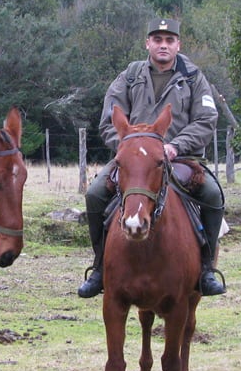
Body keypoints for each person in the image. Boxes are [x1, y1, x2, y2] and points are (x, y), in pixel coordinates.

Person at [78, 17, 226, 298]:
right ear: (147, 43)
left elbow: (207, 120)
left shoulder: (194, 77)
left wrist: (176, 146)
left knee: (212, 194)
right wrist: (128, 148)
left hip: (181, 158)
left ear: (178, 45)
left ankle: (206, 269)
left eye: (169, 40)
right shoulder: (130, 76)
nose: (163, 45)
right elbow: (109, 120)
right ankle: (99, 268)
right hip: (133, 160)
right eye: (157, 40)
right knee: (95, 194)